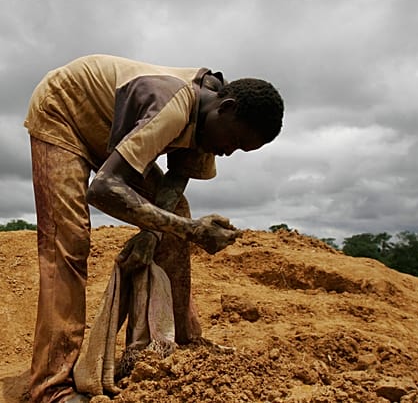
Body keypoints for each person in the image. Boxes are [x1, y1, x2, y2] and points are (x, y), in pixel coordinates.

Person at [24, 54, 284, 403]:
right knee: (67, 242)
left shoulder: (210, 122)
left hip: (111, 133)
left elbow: (176, 183)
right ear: (227, 109)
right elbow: (102, 189)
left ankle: (181, 341)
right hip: (64, 111)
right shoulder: (173, 107)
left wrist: (153, 233)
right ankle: (51, 387)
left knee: (176, 213)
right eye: (234, 142)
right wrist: (190, 231)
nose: (228, 153)